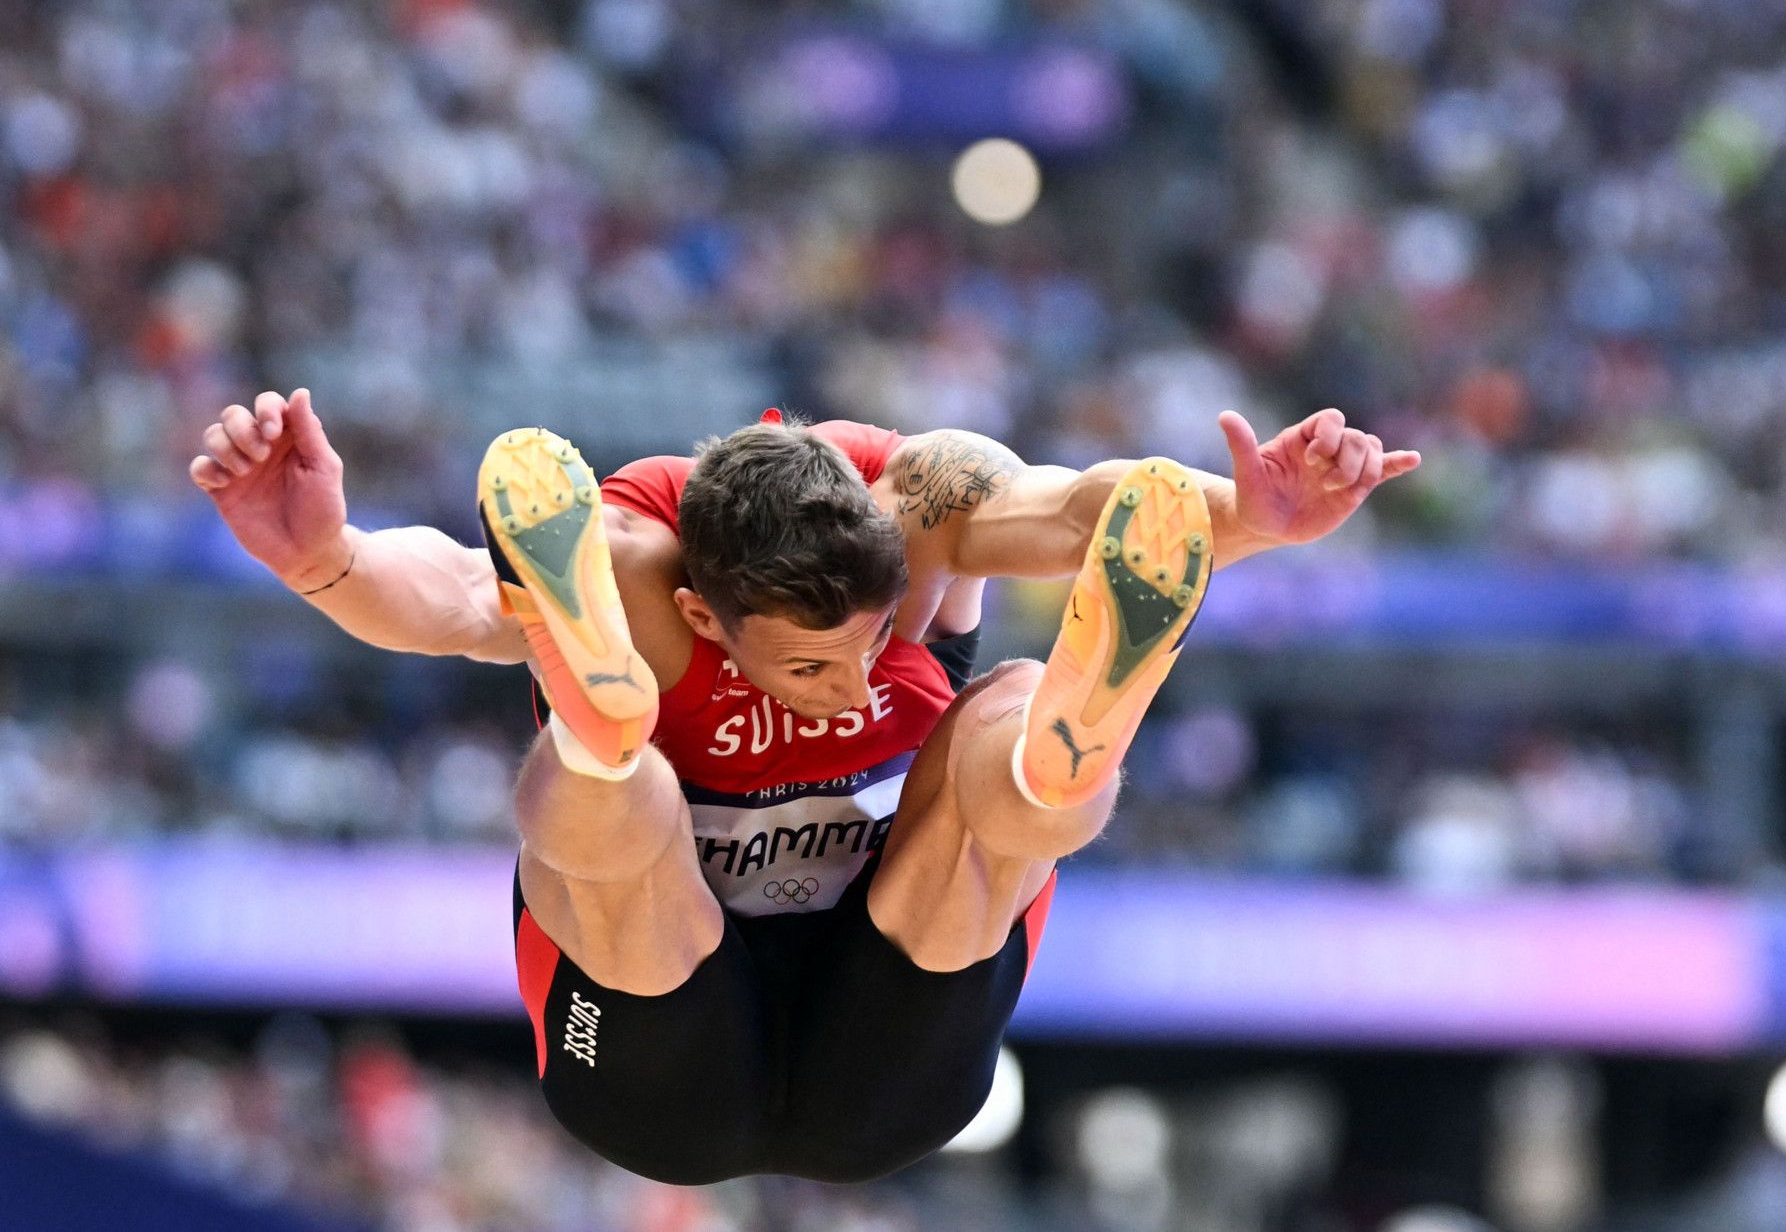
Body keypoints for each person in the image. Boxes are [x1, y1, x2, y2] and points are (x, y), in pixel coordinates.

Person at [190, 389, 1418, 1184]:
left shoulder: (919, 499)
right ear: (696, 614)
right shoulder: (622, 558)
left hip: (889, 1034)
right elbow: (457, 594)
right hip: (654, 1066)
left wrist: (1243, 517)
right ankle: (603, 735)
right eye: (807, 662)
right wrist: (324, 557)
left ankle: (1061, 757)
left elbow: (1085, 508)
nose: (844, 688)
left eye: (873, 643)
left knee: (1009, 718)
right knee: (604, 807)